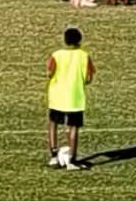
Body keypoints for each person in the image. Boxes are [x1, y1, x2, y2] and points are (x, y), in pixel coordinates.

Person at [47, 27, 94, 170]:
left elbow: (49, 72)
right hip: (75, 96)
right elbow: (88, 78)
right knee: (73, 127)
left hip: (56, 95)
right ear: (79, 40)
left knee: (53, 123)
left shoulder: (56, 55)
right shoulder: (84, 56)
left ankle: (54, 156)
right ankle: (72, 159)